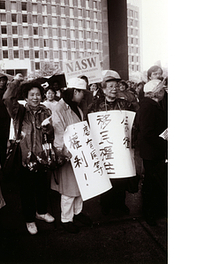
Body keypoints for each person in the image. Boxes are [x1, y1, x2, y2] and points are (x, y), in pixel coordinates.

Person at [3, 79, 55, 235]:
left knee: (42, 186)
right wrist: (16, 82)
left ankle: (42, 211)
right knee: (26, 189)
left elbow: (52, 134)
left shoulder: (46, 111)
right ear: (25, 98)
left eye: (38, 94)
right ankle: (29, 219)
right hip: (25, 157)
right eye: (31, 95)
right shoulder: (19, 111)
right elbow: (7, 99)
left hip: (42, 156)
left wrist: (48, 131)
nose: (35, 97)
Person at [89, 70, 136, 216]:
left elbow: (133, 123)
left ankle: (120, 203)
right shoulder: (95, 106)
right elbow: (89, 125)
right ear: (103, 89)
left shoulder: (125, 104)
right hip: (104, 147)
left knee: (121, 176)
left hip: (120, 147)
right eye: (110, 86)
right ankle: (105, 204)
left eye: (116, 85)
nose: (114, 89)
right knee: (107, 176)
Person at [51, 77, 93, 234]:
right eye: (82, 92)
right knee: (68, 189)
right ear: (75, 91)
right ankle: (66, 219)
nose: (83, 96)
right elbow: (59, 134)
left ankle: (77, 212)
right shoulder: (59, 109)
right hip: (69, 154)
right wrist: (66, 153)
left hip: (80, 151)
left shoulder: (76, 106)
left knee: (80, 185)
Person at [133, 79, 168, 226]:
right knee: (152, 184)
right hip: (152, 151)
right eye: (162, 91)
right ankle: (150, 213)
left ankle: (153, 212)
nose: (163, 93)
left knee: (153, 183)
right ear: (156, 92)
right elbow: (147, 132)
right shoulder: (149, 106)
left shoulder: (148, 104)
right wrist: (164, 143)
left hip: (152, 151)